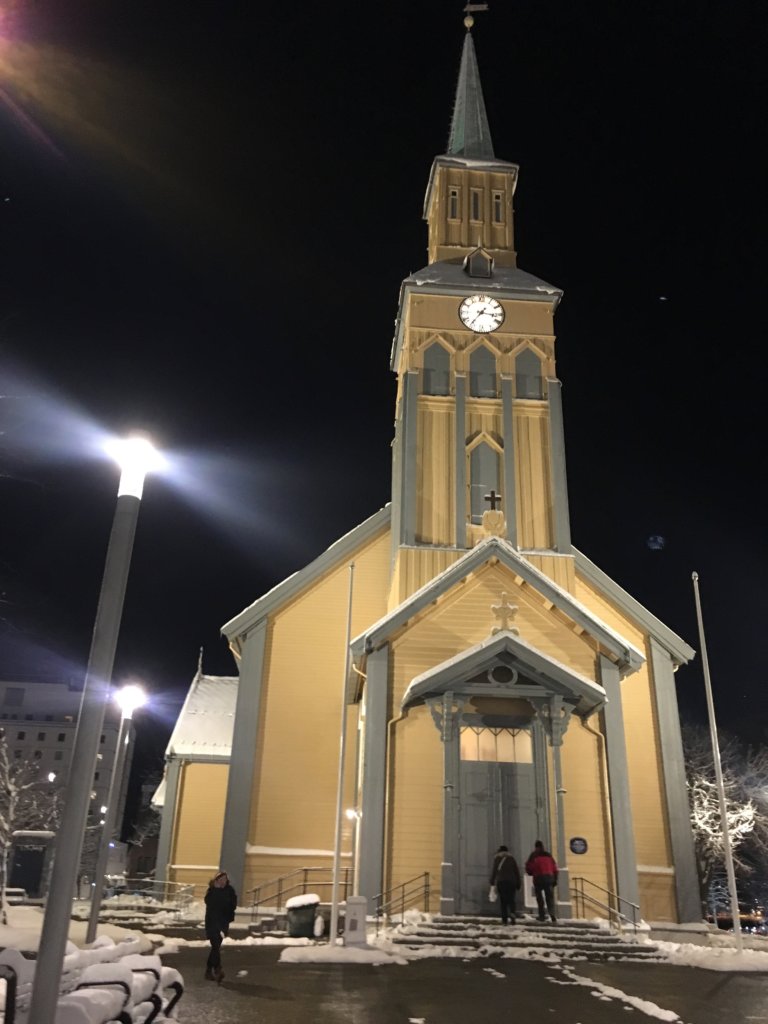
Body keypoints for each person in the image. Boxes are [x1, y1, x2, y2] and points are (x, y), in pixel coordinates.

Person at [204, 870, 237, 983]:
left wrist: (229, 915)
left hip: (223, 923)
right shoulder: (212, 890)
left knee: (216, 947)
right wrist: (216, 890)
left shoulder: (229, 890)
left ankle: (209, 970)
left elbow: (233, 904)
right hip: (212, 922)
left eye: (225, 879)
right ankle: (218, 969)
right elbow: (208, 902)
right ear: (216, 880)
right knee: (215, 945)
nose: (224, 881)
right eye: (221, 879)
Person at [525, 840, 558, 923]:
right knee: (549, 898)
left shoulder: (533, 856)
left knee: (540, 898)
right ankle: (552, 914)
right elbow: (555, 869)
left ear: (536, 847)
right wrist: (555, 880)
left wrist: (530, 873)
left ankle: (542, 915)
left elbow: (529, 867)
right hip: (549, 878)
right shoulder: (549, 855)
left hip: (538, 878)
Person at [489, 844, 521, 925]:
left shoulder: (497, 859)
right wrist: (518, 883)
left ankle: (504, 920)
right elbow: (516, 872)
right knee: (511, 899)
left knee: (503, 901)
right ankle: (512, 913)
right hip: (512, 882)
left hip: (502, 882)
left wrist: (492, 881)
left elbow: (494, 871)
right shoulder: (512, 859)